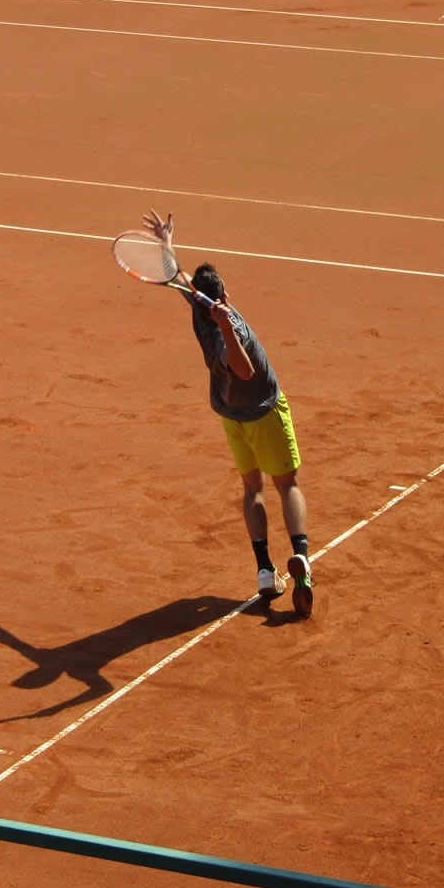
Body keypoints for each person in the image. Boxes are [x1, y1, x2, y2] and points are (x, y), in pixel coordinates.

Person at [142, 209, 314, 618]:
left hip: (230, 414)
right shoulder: (229, 330)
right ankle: (303, 560)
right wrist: (226, 328)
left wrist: (167, 243)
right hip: (263, 412)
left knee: (252, 489)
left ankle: (265, 571)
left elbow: (177, 276)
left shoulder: (198, 306)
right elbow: (245, 370)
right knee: (287, 484)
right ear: (226, 295)